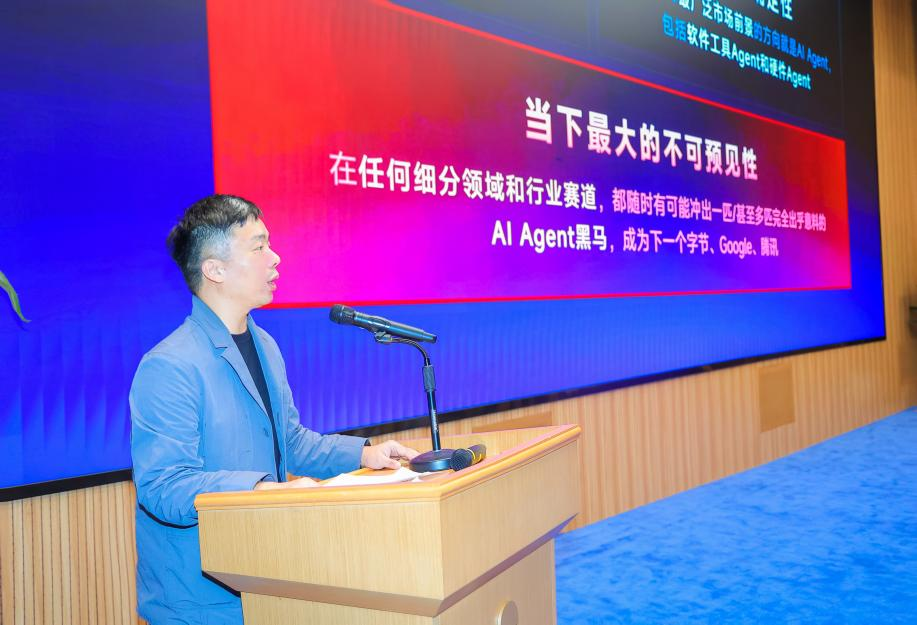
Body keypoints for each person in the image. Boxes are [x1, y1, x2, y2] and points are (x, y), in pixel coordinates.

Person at [130, 194, 418, 625]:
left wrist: (364, 454)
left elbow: (290, 442)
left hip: (267, 578)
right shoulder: (169, 365)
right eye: (259, 246)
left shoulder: (264, 344)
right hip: (201, 600)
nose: (275, 257)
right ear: (214, 270)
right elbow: (164, 486)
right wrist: (262, 490)